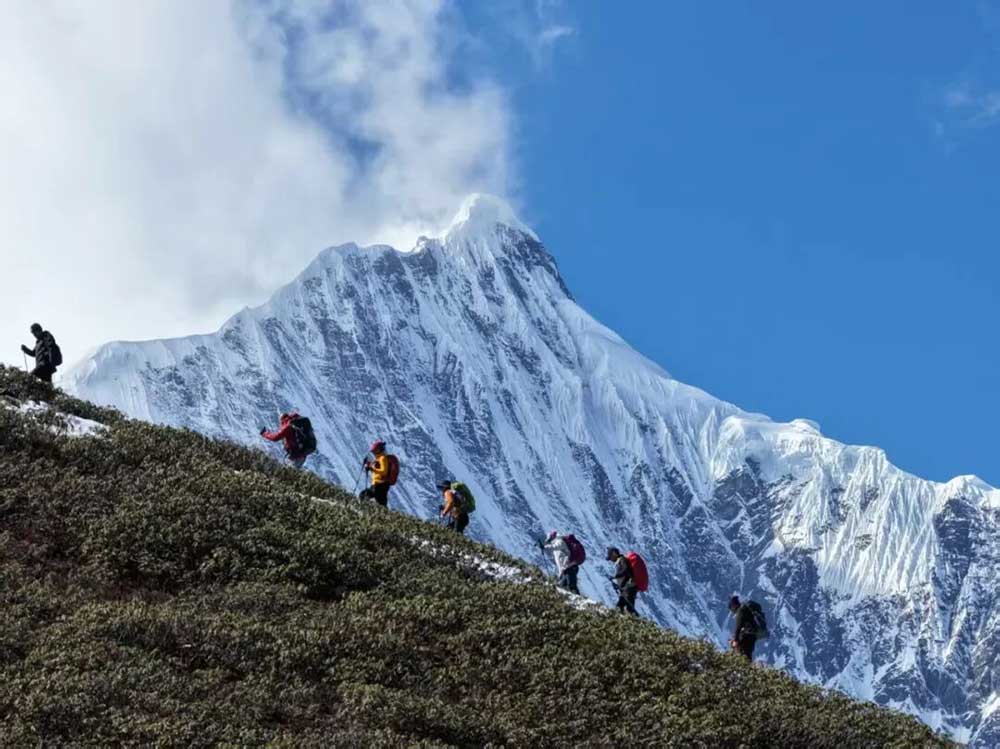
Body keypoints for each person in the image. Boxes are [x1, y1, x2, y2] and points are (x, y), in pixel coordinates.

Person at [358, 440, 397, 507]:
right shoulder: (380, 458)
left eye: (375, 451)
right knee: (381, 502)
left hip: (379, 484)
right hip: (381, 484)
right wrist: (369, 465)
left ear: (378, 450)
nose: (374, 453)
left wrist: (371, 469)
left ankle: (364, 510)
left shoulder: (382, 458)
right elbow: (377, 467)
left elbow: (383, 471)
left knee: (363, 495)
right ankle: (383, 515)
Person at [729, 595, 763, 660]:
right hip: (753, 635)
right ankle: (749, 668)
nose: (732, 612)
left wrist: (735, 640)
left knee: (744, 655)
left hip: (747, 635)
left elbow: (738, 626)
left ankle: (744, 668)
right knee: (748, 654)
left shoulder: (740, 611)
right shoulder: (746, 609)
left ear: (733, 606)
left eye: (731, 609)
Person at [606, 546, 638, 616]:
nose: (611, 560)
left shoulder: (622, 559)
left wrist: (615, 576)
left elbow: (625, 570)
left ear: (614, 554)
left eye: (610, 557)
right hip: (627, 588)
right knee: (621, 606)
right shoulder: (620, 561)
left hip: (629, 587)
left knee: (629, 608)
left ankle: (639, 624)